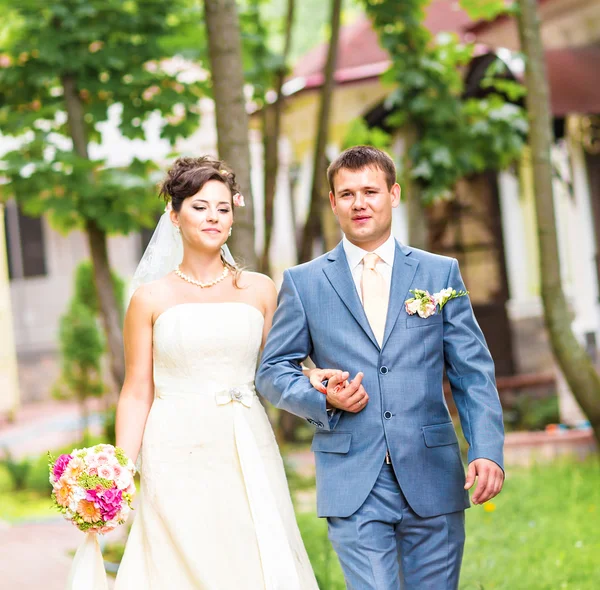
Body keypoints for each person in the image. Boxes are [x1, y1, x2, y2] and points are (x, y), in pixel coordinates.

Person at [256, 145, 505, 590]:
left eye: (370, 191)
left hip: (432, 473)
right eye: (347, 193)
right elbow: (273, 371)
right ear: (332, 202)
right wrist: (322, 398)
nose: (359, 203)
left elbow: (472, 373)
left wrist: (486, 448)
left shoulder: (439, 273)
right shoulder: (304, 282)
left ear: (394, 194)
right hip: (353, 479)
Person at [113, 156, 325, 589]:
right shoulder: (149, 299)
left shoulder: (262, 289)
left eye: (223, 208)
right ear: (174, 215)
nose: (213, 216)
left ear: (232, 216)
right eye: (199, 206)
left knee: (252, 552)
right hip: (173, 447)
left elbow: (283, 367)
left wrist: (317, 379)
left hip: (245, 438)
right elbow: (137, 390)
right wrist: (119, 469)